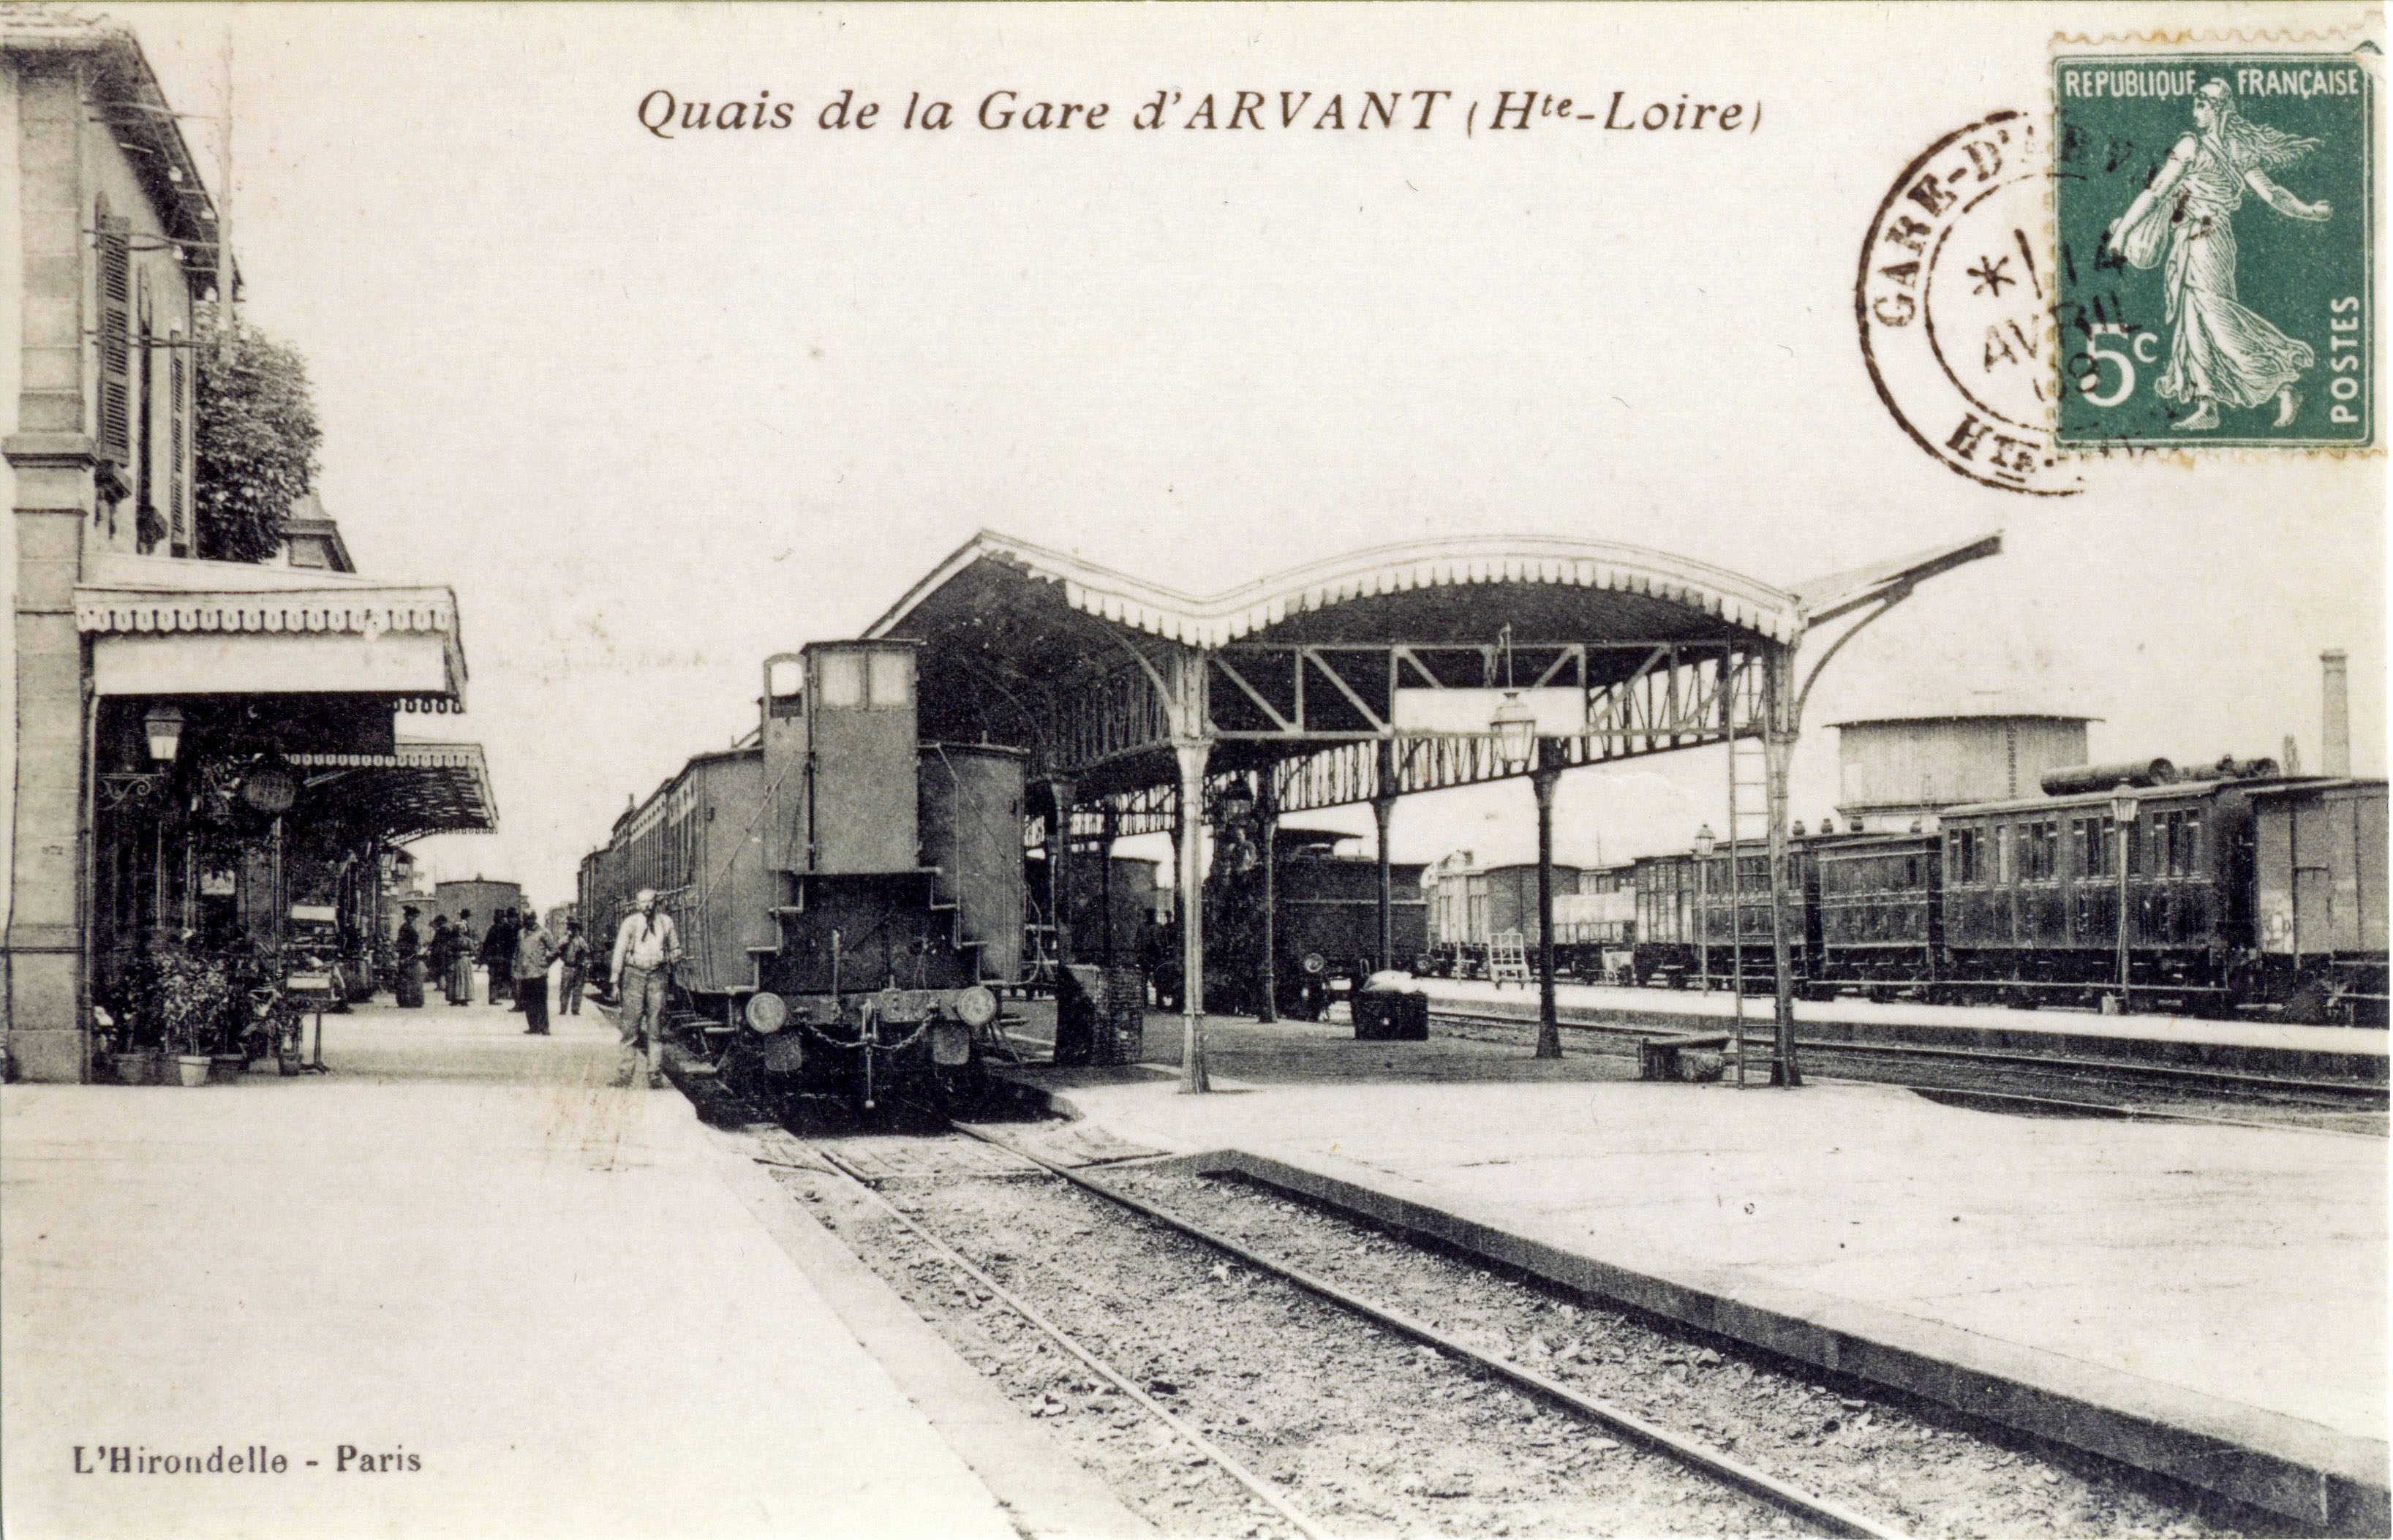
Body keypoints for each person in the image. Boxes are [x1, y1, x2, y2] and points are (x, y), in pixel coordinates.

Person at [2106, 78, 2332, 432]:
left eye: (2203, 104)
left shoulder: (2206, 146)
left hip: (2207, 240)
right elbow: (2158, 191)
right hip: (2194, 238)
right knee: (2193, 321)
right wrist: (2310, 212)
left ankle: (2283, 380)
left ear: (2221, 109)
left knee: (2215, 317)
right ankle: (2207, 404)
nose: (2196, 111)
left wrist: (2309, 212)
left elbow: (2269, 194)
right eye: (2195, 103)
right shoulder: (2210, 146)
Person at [611, 888, 682, 1089]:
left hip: (657, 977)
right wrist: (615, 981)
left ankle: (655, 1075)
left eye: (650, 902)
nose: (647, 906)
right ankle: (624, 1075)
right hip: (633, 976)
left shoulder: (666, 922)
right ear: (637, 904)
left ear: (656, 902)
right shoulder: (630, 923)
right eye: (643, 902)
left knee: (655, 1028)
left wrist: (675, 955)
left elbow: (675, 947)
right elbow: (619, 951)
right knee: (630, 1029)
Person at [513, 907, 556, 1036]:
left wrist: (546, 963)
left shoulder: (544, 932)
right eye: (524, 919)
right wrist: (515, 966)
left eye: (528, 919)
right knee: (528, 1000)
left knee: (540, 1001)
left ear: (534, 919)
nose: (525, 922)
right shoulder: (521, 933)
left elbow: (555, 951)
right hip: (525, 973)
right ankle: (533, 1027)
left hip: (539, 973)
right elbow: (517, 951)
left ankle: (544, 1027)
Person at [481, 907, 519, 1008]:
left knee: (499, 977)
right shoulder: (499, 929)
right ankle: (494, 997)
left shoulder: (500, 928)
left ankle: (498, 996)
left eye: (502, 917)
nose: (501, 919)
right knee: (496, 977)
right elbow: (488, 944)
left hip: (500, 957)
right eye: (499, 917)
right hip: (497, 957)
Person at [557, 919, 591, 1016]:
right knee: (565, 989)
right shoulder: (564, 939)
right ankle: (563, 1009)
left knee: (578, 990)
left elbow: (587, 952)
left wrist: (584, 961)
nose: (572, 930)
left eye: (574, 928)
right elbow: (557, 949)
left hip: (579, 968)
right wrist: (566, 941)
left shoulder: (580, 940)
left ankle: (575, 1010)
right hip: (568, 967)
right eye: (571, 928)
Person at [394, 907, 425, 1009]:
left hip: (411, 954)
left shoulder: (409, 927)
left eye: (413, 917)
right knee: (409, 977)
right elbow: (401, 943)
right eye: (410, 916)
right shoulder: (406, 928)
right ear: (406, 917)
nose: (412, 918)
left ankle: (410, 1000)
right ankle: (409, 1000)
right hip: (408, 955)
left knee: (411, 977)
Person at [426, 916, 456, 1005]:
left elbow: (436, 941)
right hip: (443, 952)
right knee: (442, 968)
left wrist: (431, 947)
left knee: (440, 969)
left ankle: (441, 986)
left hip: (440, 952)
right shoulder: (446, 930)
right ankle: (441, 985)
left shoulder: (442, 930)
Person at [450, 910, 477, 1006]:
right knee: (455, 979)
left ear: (464, 930)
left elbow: (473, 951)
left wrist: (465, 953)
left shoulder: (468, 940)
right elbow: (448, 950)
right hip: (456, 961)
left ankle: (465, 998)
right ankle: (455, 998)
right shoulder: (453, 941)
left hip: (465, 961)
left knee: (465, 979)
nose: (459, 931)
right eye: (458, 929)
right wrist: (454, 954)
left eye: (461, 929)